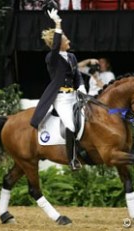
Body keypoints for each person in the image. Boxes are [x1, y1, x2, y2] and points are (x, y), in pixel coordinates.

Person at [30, 8, 86, 171]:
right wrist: (58, 24)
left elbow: (77, 75)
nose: (68, 39)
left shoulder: (72, 57)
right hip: (60, 98)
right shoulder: (52, 57)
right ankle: (72, 159)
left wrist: (81, 86)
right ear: (59, 41)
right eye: (65, 38)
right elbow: (54, 47)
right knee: (70, 125)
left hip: (74, 95)